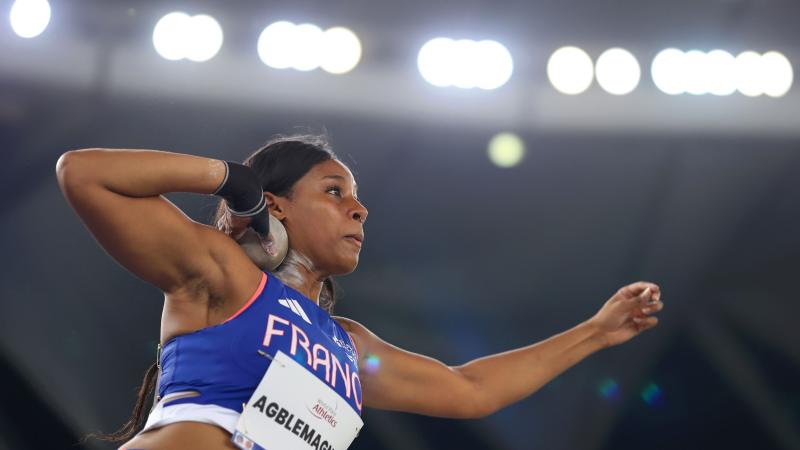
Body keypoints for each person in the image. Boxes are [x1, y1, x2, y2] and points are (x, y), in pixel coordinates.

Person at [55, 134, 663, 450]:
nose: (360, 209)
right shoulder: (223, 275)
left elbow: (471, 389)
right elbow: (84, 174)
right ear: (278, 207)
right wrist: (228, 179)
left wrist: (598, 332)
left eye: (356, 197)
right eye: (335, 192)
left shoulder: (348, 346)